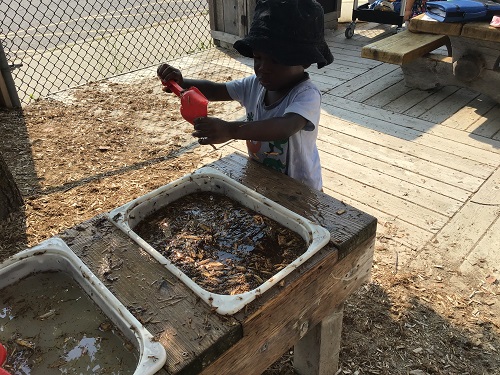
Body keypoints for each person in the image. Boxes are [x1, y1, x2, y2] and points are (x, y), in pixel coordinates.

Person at [157, 0, 333, 191]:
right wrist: (183, 83)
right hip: (263, 179)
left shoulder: (306, 95)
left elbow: (285, 127)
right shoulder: (255, 84)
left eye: (276, 60)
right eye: (258, 57)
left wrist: (231, 130)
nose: (263, 68)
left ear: (306, 61)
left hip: (300, 189)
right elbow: (217, 90)